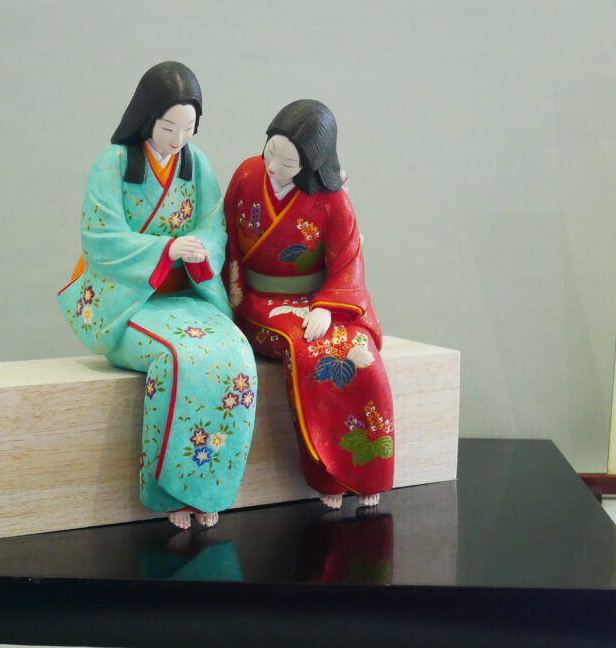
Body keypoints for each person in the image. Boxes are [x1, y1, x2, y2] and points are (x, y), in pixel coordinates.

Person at [58, 61, 257, 529]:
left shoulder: (196, 163)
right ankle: (167, 492)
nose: (178, 139)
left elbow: (214, 227)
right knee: (178, 358)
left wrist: (198, 248)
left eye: (189, 128)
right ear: (146, 117)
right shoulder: (112, 163)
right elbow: (101, 239)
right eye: (169, 127)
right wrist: (166, 249)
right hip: (128, 302)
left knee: (235, 351)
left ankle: (209, 489)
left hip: (185, 296)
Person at [224, 99, 394, 509]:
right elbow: (226, 236)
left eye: (287, 162)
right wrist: (232, 294)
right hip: (261, 301)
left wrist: (325, 307)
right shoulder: (246, 175)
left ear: (313, 162)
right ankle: (328, 477)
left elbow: (348, 262)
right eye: (270, 152)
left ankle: (368, 472)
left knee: (360, 356)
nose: (273, 167)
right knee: (309, 351)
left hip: (321, 302)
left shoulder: (332, 199)